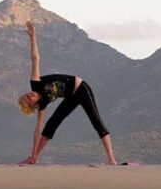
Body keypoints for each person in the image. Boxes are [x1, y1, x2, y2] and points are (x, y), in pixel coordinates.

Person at [17, 20, 117, 165]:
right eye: (28, 99)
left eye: (26, 95)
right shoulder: (42, 104)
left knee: (96, 121)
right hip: (71, 96)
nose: (29, 95)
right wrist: (32, 152)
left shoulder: (35, 84)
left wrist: (33, 37)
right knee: (51, 124)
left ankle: (111, 159)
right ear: (32, 105)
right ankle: (34, 158)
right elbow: (38, 129)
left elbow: (35, 59)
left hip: (81, 88)